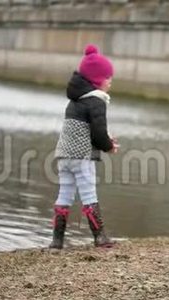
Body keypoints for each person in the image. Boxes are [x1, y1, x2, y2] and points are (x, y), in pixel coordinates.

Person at [49, 44, 119, 249]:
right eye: (108, 77)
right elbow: (97, 133)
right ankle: (100, 237)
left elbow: (85, 129)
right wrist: (108, 146)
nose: (110, 81)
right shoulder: (97, 101)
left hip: (64, 155)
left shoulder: (74, 101)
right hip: (82, 157)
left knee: (65, 194)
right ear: (98, 80)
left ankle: (57, 240)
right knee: (89, 194)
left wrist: (105, 140)